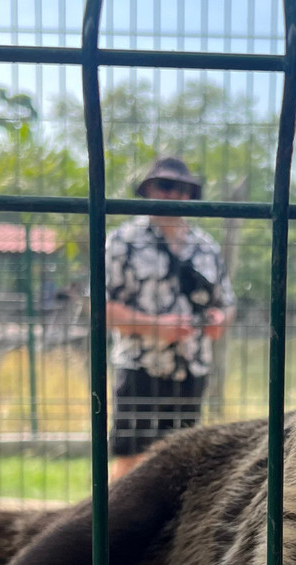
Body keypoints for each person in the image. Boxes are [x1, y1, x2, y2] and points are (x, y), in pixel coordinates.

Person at [105, 156, 235, 479]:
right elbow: (101, 308)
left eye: (183, 189)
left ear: (191, 195)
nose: (173, 195)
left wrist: (221, 319)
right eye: (164, 186)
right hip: (140, 366)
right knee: (130, 459)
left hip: (191, 369)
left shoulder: (207, 247)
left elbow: (228, 303)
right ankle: (113, 529)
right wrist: (155, 328)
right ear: (148, 190)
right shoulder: (122, 242)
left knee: (180, 463)